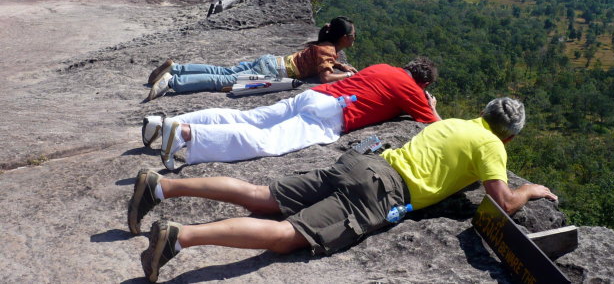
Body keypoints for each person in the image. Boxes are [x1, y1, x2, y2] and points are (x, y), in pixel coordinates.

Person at [128, 97, 558, 282]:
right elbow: (502, 200)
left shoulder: (453, 123)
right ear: (510, 137)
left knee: (262, 195)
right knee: (287, 237)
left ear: (483, 112)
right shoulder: (491, 146)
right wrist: (530, 191)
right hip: (384, 192)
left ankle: (163, 185)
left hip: (364, 163)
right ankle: (181, 237)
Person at [142, 57, 441, 170]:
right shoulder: (412, 90)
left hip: (313, 96)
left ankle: (168, 124)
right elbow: (436, 125)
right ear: (423, 82)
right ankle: (183, 134)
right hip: (331, 115)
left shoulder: (383, 67)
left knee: (249, 117)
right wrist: (432, 105)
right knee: (266, 141)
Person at [145, 16, 358, 101]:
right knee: (220, 81)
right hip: (271, 72)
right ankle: (173, 82)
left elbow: (324, 60)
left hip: (270, 61)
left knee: (223, 72)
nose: (354, 38)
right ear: (343, 38)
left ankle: (177, 68)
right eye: (352, 35)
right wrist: (348, 75)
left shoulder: (326, 46)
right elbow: (326, 78)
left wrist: (339, 63)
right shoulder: (328, 50)